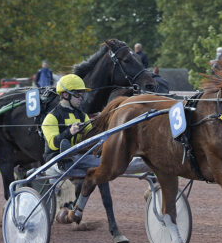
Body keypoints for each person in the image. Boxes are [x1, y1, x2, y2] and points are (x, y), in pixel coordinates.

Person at [46, 74, 148, 223]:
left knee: (110, 162)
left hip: (80, 159)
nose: (82, 98)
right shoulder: (52, 117)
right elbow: (52, 143)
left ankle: (144, 164)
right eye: (78, 94)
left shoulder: (82, 115)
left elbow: (90, 137)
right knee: (68, 153)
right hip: (56, 161)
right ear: (65, 95)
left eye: (82, 94)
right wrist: (69, 132)